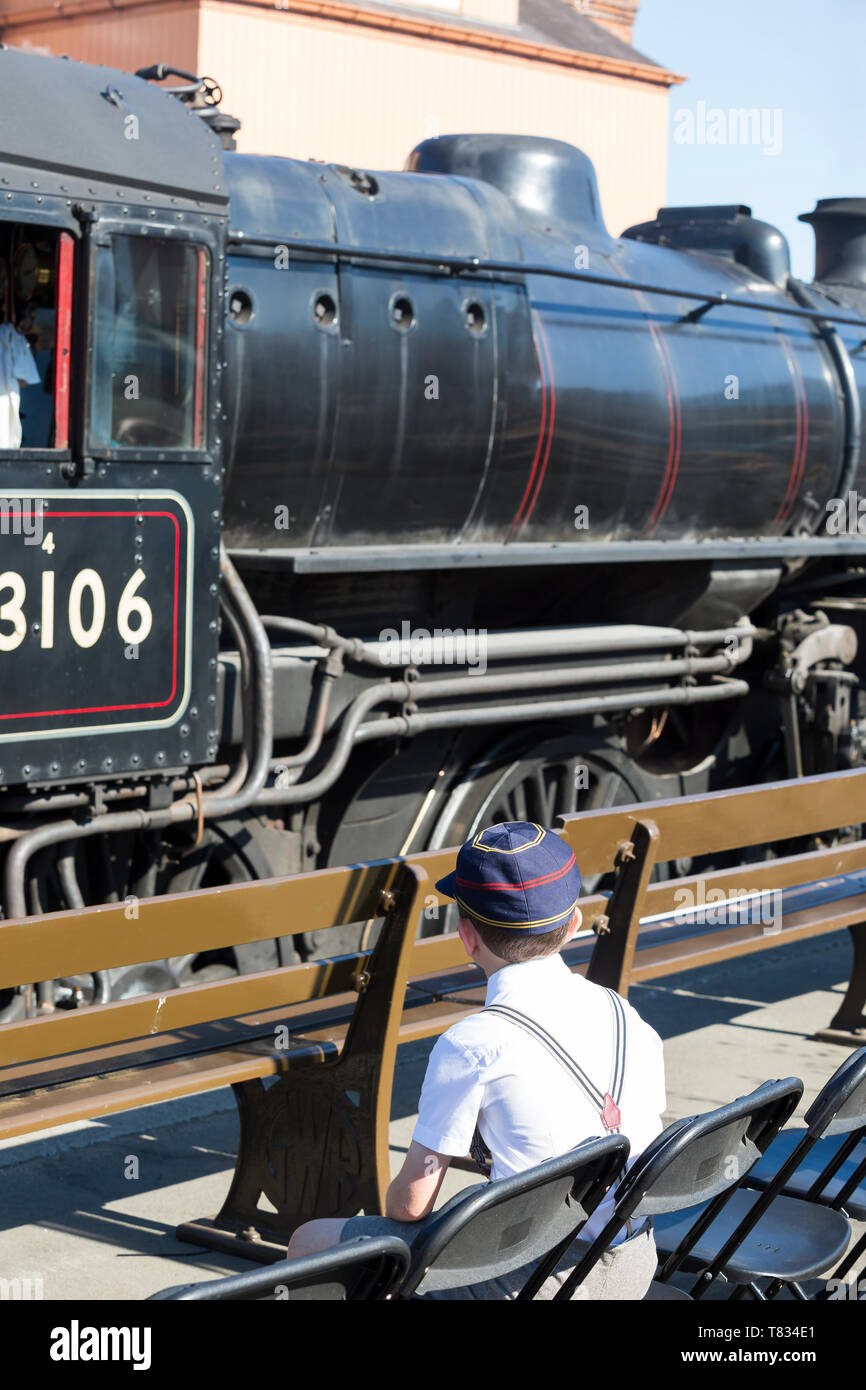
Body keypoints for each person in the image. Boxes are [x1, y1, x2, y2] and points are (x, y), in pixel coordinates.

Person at [287, 820, 666, 1299]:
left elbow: (411, 1205)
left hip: (536, 1284)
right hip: (632, 1266)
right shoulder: (626, 1015)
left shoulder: (471, 1044)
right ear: (573, 925)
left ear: (467, 937)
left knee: (308, 1243)